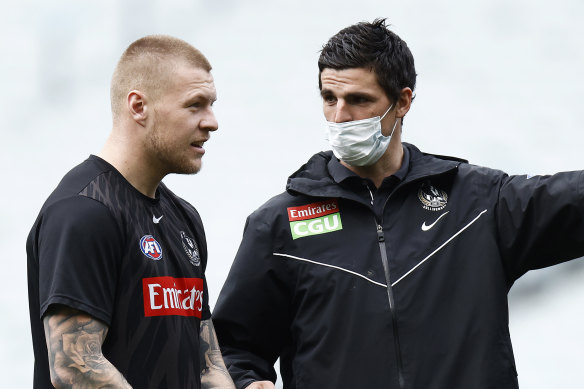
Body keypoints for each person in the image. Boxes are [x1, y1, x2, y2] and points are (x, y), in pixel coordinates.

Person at [212, 18, 584, 389]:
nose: (340, 117)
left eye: (358, 100)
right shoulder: (278, 224)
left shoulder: (477, 202)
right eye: (330, 98)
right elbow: (229, 349)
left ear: (402, 101)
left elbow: (572, 200)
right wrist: (246, 383)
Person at [27, 35, 235, 389]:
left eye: (211, 104)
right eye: (195, 105)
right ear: (138, 106)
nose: (212, 122)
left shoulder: (184, 218)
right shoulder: (84, 211)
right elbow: (76, 367)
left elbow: (207, 363)